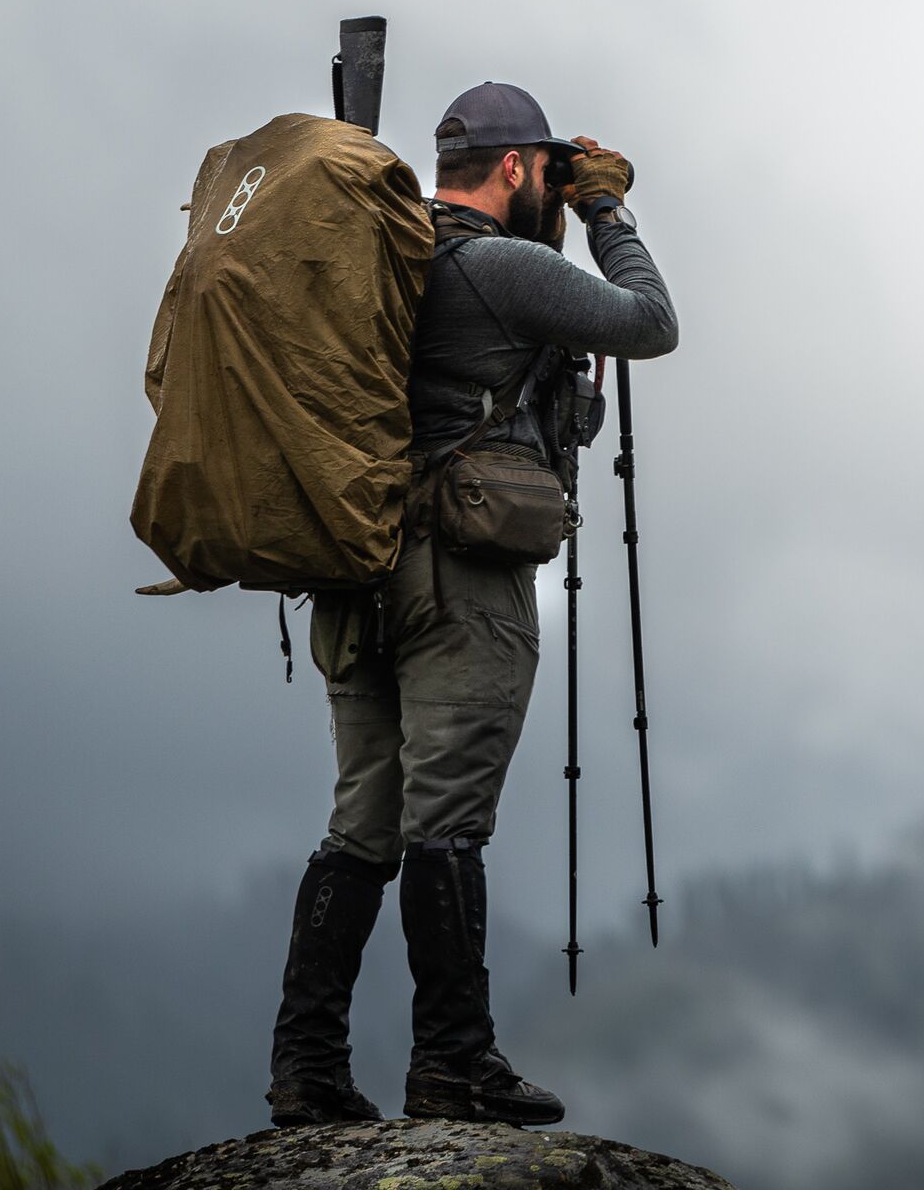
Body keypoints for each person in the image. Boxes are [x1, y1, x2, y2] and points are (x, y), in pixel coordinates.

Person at [267, 82, 678, 1128]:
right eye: (547, 170)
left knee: (361, 817)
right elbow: (649, 323)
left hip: (355, 571)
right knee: (445, 822)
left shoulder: (385, 259)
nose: (553, 184)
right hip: (458, 580)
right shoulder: (500, 266)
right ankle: (453, 1063)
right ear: (511, 169)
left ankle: (306, 1066)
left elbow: (540, 415)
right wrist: (606, 213)